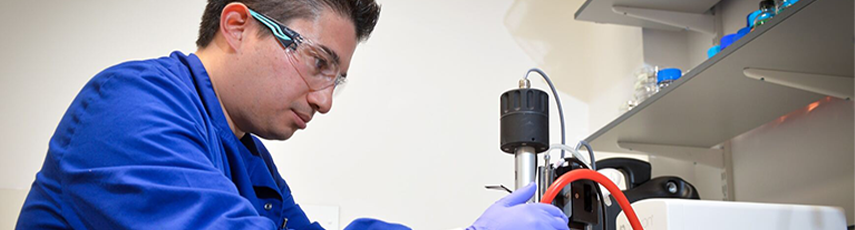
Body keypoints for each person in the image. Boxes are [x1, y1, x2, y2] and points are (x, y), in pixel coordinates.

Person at [16, 0, 569, 229]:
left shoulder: (248, 155)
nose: (325, 101)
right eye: (319, 63)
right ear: (238, 26)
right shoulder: (130, 106)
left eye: (338, 79)